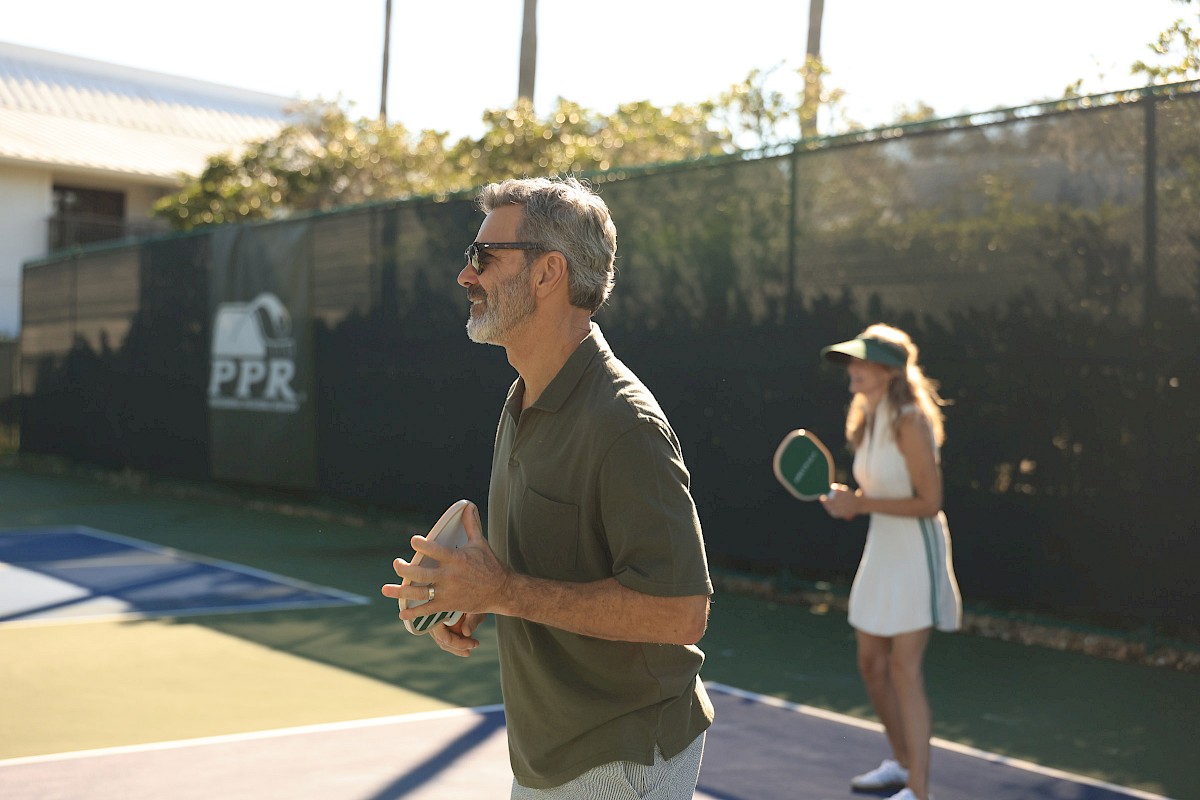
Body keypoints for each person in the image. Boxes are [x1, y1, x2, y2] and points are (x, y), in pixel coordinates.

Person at [382, 176, 714, 799]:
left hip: (619, 756)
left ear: (547, 273)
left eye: (484, 257)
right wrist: (478, 592)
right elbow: (562, 558)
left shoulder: (625, 423)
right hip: (547, 757)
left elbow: (681, 613)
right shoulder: (523, 396)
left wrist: (505, 590)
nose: (466, 276)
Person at [818, 323, 962, 800]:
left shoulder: (909, 420)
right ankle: (901, 764)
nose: (853, 370)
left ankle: (919, 791)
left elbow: (930, 501)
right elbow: (876, 492)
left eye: (863, 362)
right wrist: (850, 499)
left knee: (903, 669)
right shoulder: (867, 414)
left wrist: (861, 505)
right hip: (882, 548)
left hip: (916, 550)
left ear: (888, 371)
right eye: (853, 362)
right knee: (871, 664)